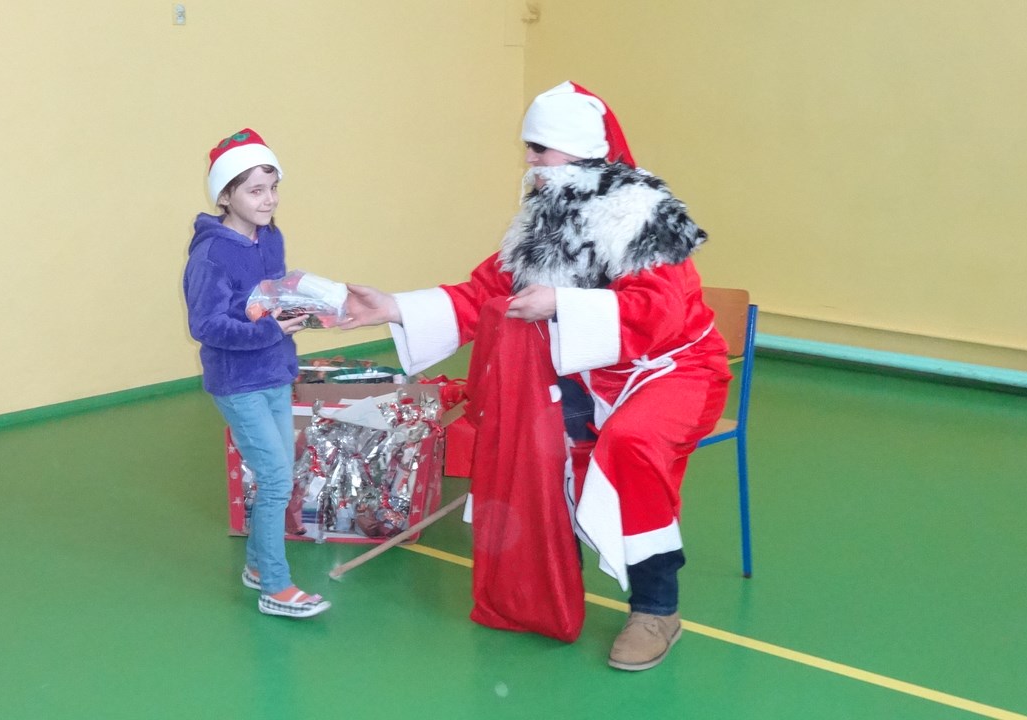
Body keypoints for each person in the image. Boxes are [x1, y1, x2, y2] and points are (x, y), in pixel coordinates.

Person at [339, 82, 730, 669]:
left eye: (539, 149)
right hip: (590, 374)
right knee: (538, 448)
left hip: (674, 370)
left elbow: (660, 313)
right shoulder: (542, 217)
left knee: (631, 445)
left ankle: (656, 610)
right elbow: (484, 293)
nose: (529, 160)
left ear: (577, 151)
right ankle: (548, 587)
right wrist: (391, 307)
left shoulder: (645, 215)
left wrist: (562, 305)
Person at [182, 128, 330, 619]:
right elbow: (206, 326)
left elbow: (269, 296)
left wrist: (303, 305)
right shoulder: (210, 255)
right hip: (237, 381)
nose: (269, 200)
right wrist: (269, 330)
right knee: (275, 478)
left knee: (279, 471)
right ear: (226, 196)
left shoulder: (270, 237)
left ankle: (256, 566)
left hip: (274, 371)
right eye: (255, 190)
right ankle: (276, 587)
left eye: (273, 187)